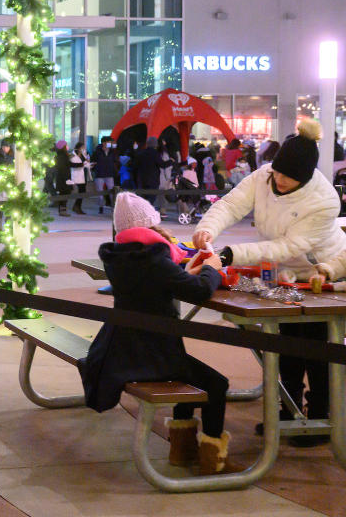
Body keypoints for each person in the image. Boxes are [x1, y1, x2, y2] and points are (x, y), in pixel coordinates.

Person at [193, 119, 344, 446]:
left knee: (317, 346)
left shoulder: (325, 200)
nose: (279, 180)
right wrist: (208, 229)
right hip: (282, 274)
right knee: (285, 341)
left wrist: (231, 254)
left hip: (321, 272)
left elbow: (289, 246)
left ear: (305, 179)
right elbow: (231, 205)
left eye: (288, 178)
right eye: (277, 173)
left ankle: (318, 419)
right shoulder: (263, 176)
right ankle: (288, 414)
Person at [78, 192, 231, 474]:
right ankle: (212, 458)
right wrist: (212, 270)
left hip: (121, 350)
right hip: (150, 355)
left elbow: (157, 281)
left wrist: (184, 271)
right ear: (149, 226)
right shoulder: (154, 261)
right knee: (216, 385)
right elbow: (197, 291)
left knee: (188, 376)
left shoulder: (120, 257)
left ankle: (182, 449)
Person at [133, 136, 163, 207]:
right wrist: (171, 161)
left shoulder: (141, 153)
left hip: (142, 179)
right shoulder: (155, 154)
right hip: (153, 179)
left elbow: (135, 166)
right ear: (155, 144)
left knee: (143, 198)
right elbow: (162, 164)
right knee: (152, 198)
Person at [91, 136, 117, 214]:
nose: (110, 143)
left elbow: (114, 161)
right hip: (99, 174)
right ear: (104, 143)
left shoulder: (112, 151)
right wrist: (95, 168)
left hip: (109, 174)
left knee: (112, 191)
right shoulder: (97, 152)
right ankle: (101, 207)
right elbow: (93, 161)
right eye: (109, 142)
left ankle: (113, 207)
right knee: (100, 192)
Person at [0, 139, 13, 231]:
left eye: (7, 146)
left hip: (10, 181)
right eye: (4, 146)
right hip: (0, 181)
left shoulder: (13, 156)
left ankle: (8, 222)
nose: (5, 148)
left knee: (9, 201)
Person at [69, 142, 91, 215]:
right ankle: (77, 207)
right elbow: (72, 165)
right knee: (81, 191)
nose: (84, 149)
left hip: (82, 175)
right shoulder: (72, 155)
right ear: (79, 148)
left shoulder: (82, 155)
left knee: (82, 191)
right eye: (83, 147)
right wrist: (82, 164)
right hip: (76, 175)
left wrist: (89, 164)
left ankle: (77, 206)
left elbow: (85, 163)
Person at [53, 140, 72, 217]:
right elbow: (63, 168)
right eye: (66, 145)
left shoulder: (60, 155)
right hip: (64, 179)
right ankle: (62, 211)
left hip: (62, 178)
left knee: (63, 194)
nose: (67, 146)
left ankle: (62, 210)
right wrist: (67, 179)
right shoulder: (62, 156)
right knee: (64, 194)